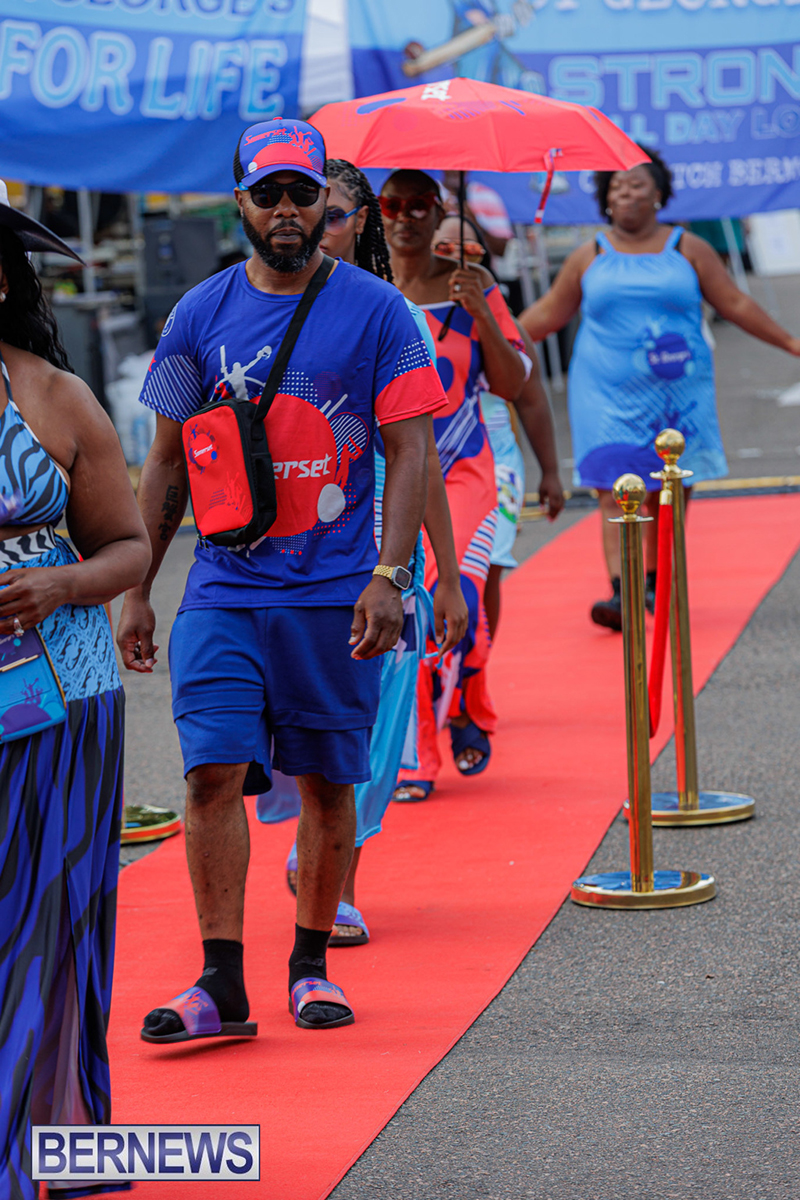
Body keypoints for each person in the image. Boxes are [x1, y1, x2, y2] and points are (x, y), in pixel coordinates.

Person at [116, 120, 447, 1036]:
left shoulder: (380, 312)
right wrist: (138, 585)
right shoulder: (197, 313)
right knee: (211, 774)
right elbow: (166, 460)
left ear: (326, 202)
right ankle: (221, 982)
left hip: (334, 592)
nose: (288, 210)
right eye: (269, 194)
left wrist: (391, 574)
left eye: (304, 193)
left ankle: (309, 967)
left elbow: (409, 449)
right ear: (241, 204)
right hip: (224, 589)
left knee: (327, 782)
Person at [263, 159, 468, 944]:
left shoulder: (394, 317)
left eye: (336, 212)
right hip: (280, 549)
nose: (314, 222)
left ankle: (339, 883)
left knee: (373, 722)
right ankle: (315, 840)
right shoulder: (252, 309)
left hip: (379, 550)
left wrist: (446, 575)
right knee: (289, 713)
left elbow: (424, 460)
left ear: (355, 224)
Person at [0, 185, 151, 1198]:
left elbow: (130, 546)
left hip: (61, 695)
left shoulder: (56, 396)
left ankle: (55, 1141)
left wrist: (62, 585)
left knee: (53, 921)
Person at [520, 147, 800, 630]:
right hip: (604, 396)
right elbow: (547, 315)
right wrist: (484, 341)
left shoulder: (688, 248)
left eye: (637, 185)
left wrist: (791, 343)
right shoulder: (590, 255)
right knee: (613, 491)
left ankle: (656, 581)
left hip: (676, 399)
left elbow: (734, 303)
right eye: (616, 186)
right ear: (605, 198)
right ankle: (621, 592)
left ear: (659, 194)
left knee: (668, 495)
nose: (625, 193)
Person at [380, 170, 528, 798]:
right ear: (378, 212)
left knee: (459, 592)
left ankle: (465, 693)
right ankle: (422, 749)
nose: (406, 217)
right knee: (406, 603)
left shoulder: (474, 285)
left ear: (440, 210)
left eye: (420, 205)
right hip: (393, 473)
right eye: (393, 205)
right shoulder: (369, 290)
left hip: (465, 469)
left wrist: (481, 311)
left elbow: (514, 384)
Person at [433, 213, 564, 638]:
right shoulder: (404, 313)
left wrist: (550, 472)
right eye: (444, 247)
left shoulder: (502, 322)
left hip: (494, 461)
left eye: (468, 249)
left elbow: (531, 400)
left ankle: (478, 657)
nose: (456, 257)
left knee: (485, 565)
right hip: (433, 461)